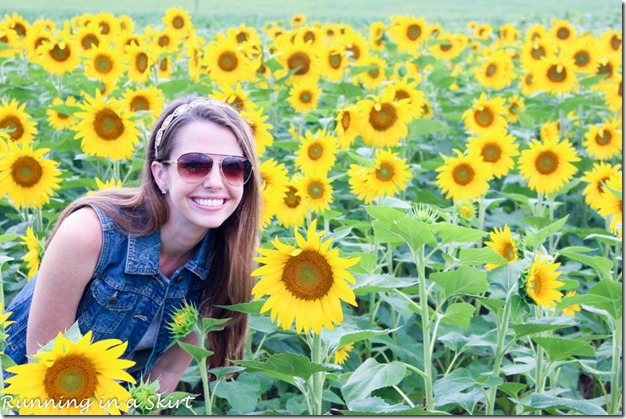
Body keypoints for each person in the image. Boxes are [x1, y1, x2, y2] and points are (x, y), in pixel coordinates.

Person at [4, 95, 262, 393]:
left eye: (232, 167)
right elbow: (45, 363)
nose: (216, 182)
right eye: (194, 165)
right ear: (159, 174)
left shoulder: (224, 263)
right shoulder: (89, 234)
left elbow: (163, 375)